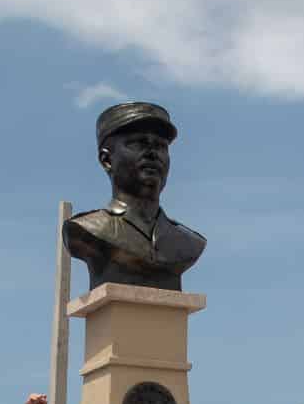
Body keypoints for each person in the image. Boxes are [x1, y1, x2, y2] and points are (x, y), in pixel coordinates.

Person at [63, 101, 207, 291]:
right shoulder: (88, 229)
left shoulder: (187, 241)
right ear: (107, 160)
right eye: (138, 143)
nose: (152, 154)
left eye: (160, 146)